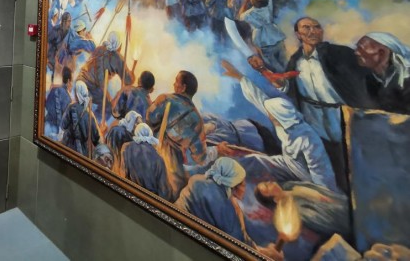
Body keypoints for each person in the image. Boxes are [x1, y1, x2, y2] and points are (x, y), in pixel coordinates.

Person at [283, 17, 374, 190]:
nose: (313, 31)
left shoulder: (339, 54)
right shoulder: (295, 62)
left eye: (317, 27)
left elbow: (364, 79)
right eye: (306, 28)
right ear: (298, 34)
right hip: (313, 116)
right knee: (328, 159)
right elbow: (290, 90)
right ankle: (339, 194)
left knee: (351, 154)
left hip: (339, 112)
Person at [221, 60, 338, 192]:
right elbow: (259, 98)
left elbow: (321, 174)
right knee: (255, 160)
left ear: (279, 117)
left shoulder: (308, 139)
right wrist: (239, 76)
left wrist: (323, 194)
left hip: (304, 176)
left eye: (270, 113)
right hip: (287, 162)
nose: (268, 113)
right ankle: (224, 171)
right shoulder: (282, 120)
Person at [145, 71, 207, 195]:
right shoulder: (198, 120)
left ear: (183, 87)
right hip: (174, 171)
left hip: (151, 154)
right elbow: (200, 157)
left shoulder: (165, 99)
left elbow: (149, 117)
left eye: (176, 81)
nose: (174, 84)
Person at [355, 32, 410, 114]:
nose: (356, 52)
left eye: (361, 48)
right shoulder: (369, 80)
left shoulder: (407, 80)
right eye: (357, 48)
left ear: (382, 53)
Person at [120, 123, 176, 201]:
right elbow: (164, 191)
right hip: (148, 200)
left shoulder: (126, 148)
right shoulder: (158, 159)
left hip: (130, 193)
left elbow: (123, 174)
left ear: (136, 133)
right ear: (150, 134)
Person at [59, 81, 101, 158]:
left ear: (77, 93)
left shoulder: (71, 108)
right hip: (83, 152)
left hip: (68, 148)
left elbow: (63, 126)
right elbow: (96, 139)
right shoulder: (90, 115)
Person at [45, 66, 73, 140]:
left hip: (47, 126)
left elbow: (47, 105)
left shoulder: (53, 90)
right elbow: (67, 119)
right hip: (57, 132)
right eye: (71, 81)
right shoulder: (68, 98)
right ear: (68, 81)